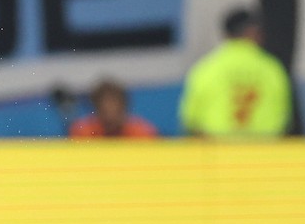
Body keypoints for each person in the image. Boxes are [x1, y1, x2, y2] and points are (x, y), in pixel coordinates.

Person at [179, 7, 291, 138]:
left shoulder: (206, 68)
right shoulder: (272, 69)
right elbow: (284, 118)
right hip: (262, 148)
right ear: (255, 33)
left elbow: (191, 121)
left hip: (217, 148)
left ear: (226, 34)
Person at [69, 79, 158, 139]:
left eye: (115, 109)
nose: (110, 117)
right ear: (96, 108)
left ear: (123, 107)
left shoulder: (142, 133)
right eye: (105, 111)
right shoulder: (83, 133)